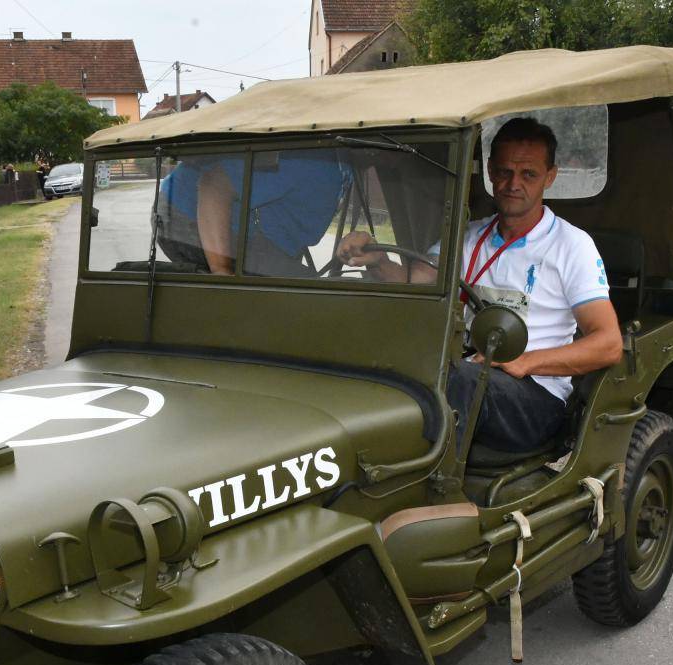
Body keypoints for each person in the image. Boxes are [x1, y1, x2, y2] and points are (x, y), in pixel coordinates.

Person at [339, 117, 622, 454]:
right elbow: (417, 286)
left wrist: (527, 361)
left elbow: (608, 343)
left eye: (528, 174)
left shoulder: (571, 245)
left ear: (550, 177)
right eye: (503, 172)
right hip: (469, 370)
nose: (513, 184)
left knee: (458, 380)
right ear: (489, 171)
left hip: (533, 395)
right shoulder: (471, 236)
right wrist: (378, 261)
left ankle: (431, 489)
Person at [155, 151, 348, 276]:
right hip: (185, 212)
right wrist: (222, 273)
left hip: (250, 235)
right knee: (309, 295)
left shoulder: (342, 165)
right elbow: (213, 185)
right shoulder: (309, 158)